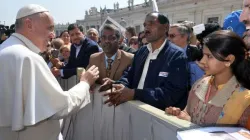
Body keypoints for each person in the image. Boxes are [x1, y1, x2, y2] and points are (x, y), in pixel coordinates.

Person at [0, 4, 99, 140]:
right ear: (29, 25)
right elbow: (61, 106)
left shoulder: (5, 49)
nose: (53, 35)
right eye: (50, 28)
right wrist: (85, 83)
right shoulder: (28, 58)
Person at [103, 12, 189, 110]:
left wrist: (135, 94)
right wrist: (119, 85)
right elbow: (129, 75)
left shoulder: (177, 55)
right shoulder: (141, 52)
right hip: (135, 112)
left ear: (165, 28)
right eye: (145, 25)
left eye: (151, 23)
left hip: (159, 118)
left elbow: (172, 93)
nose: (146, 28)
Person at [166, 30, 250, 126]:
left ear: (229, 60)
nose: (202, 61)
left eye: (209, 56)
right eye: (203, 55)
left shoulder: (245, 99)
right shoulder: (199, 84)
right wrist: (180, 115)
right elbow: (189, 115)